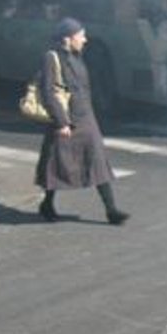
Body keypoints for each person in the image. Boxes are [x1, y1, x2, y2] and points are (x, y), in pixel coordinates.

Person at [35, 17, 130, 225]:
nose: (85, 39)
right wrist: (61, 122)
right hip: (66, 121)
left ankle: (111, 210)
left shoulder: (77, 56)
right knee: (56, 164)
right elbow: (49, 92)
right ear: (68, 38)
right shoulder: (52, 58)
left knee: (97, 161)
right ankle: (47, 203)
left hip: (86, 118)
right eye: (81, 35)